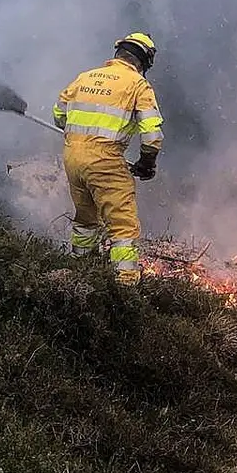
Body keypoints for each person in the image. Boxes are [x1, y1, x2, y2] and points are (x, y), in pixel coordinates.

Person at [52, 32, 164, 286]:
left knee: (86, 219)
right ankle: (125, 288)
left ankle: (79, 273)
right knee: (123, 228)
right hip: (106, 160)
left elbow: (59, 115)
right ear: (144, 61)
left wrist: (82, 132)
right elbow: (152, 134)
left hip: (72, 158)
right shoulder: (137, 85)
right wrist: (147, 163)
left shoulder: (85, 77)